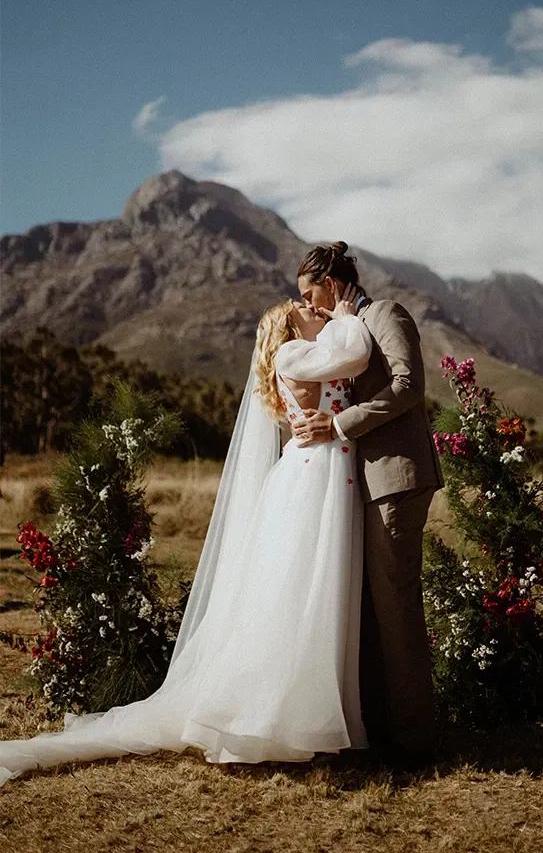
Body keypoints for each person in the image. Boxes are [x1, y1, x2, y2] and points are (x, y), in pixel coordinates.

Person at [0, 291, 373, 785]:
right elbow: (355, 354)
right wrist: (346, 317)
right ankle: (272, 718)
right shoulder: (292, 353)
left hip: (329, 474)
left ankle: (310, 715)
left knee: (320, 586)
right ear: (285, 327)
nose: (314, 309)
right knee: (299, 587)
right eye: (303, 308)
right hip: (310, 477)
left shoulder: (314, 348)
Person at [294, 242, 444, 766]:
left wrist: (338, 424)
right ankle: (376, 727)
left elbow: (408, 385)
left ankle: (414, 741)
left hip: (394, 477)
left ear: (331, 283)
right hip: (359, 483)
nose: (307, 305)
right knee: (368, 606)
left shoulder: (385, 314)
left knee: (395, 604)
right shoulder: (343, 329)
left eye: (309, 294)